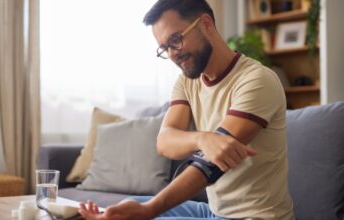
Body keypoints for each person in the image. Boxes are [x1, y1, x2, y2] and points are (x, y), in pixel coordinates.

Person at [78, 0, 295, 219]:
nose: (172, 54)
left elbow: (209, 166)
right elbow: (165, 142)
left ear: (206, 24)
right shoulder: (187, 82)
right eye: (165, 48)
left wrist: (149, 210)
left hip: (256, 216)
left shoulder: (256, 80)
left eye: (175, 40)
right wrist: (202, 139)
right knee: (123, 207)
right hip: (214, 212)